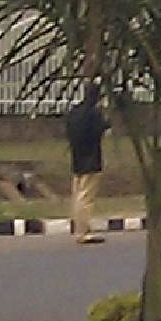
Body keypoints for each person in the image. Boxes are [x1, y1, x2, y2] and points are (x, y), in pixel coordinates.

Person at [66, 81, 110, 244]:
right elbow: (101, 130)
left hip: (77, 157)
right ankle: (83, 231)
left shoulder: (74, 112)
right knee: (86, 197)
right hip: (92, 159)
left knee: (77, 194)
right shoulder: (94, 114)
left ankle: (79, 226)